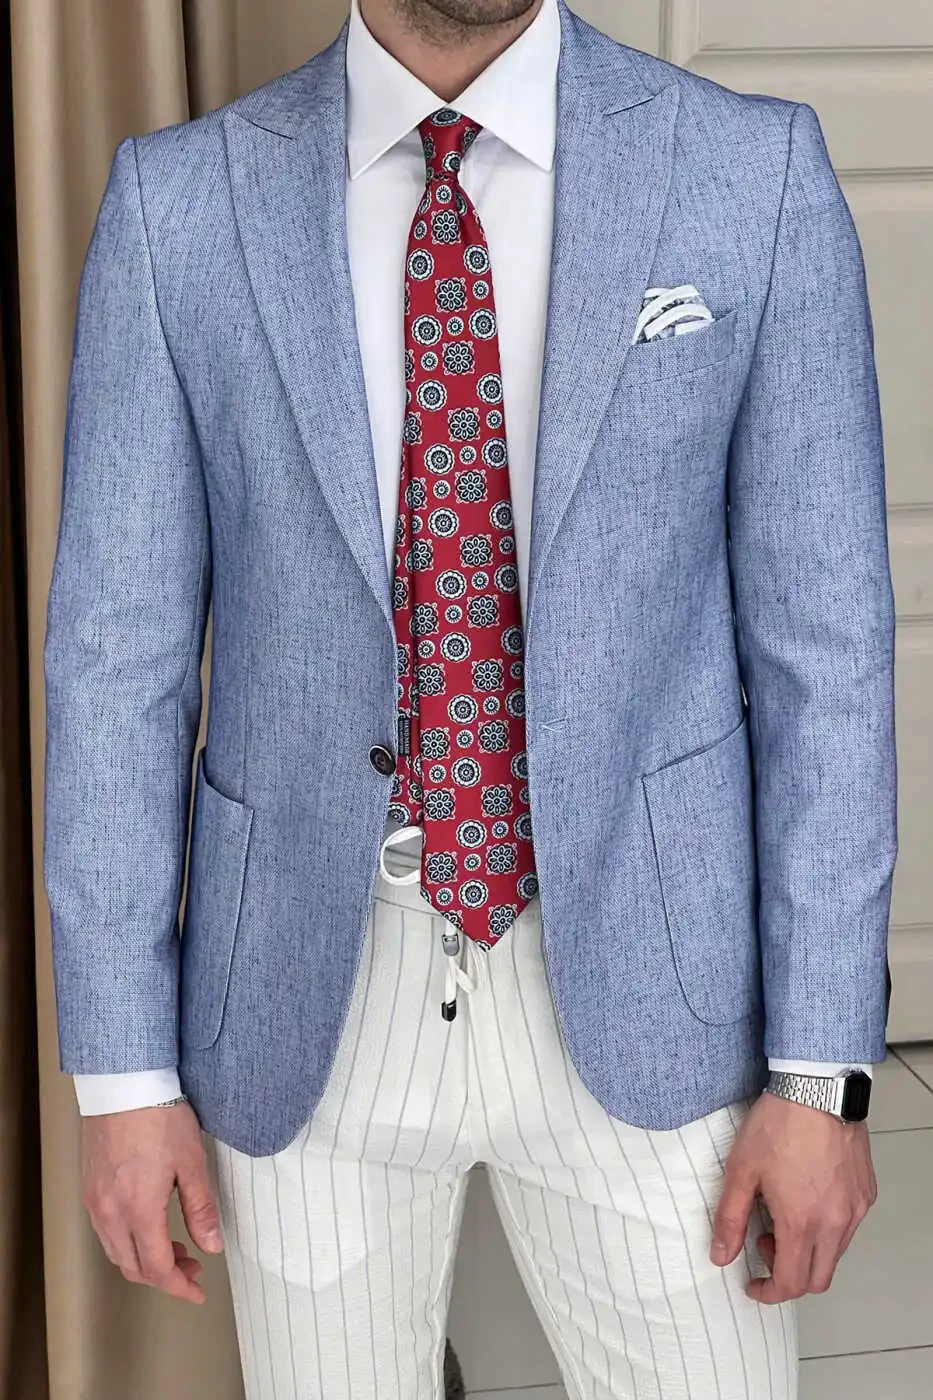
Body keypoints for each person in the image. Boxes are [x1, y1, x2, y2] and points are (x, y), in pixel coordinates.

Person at [43, 0, 897, 1395]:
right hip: (308, 1001)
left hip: (661, 985)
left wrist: (822, 1072)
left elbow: (830, 656)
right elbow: (114, 665)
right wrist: (124, 1078)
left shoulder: (752, 175)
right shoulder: (180, 206)